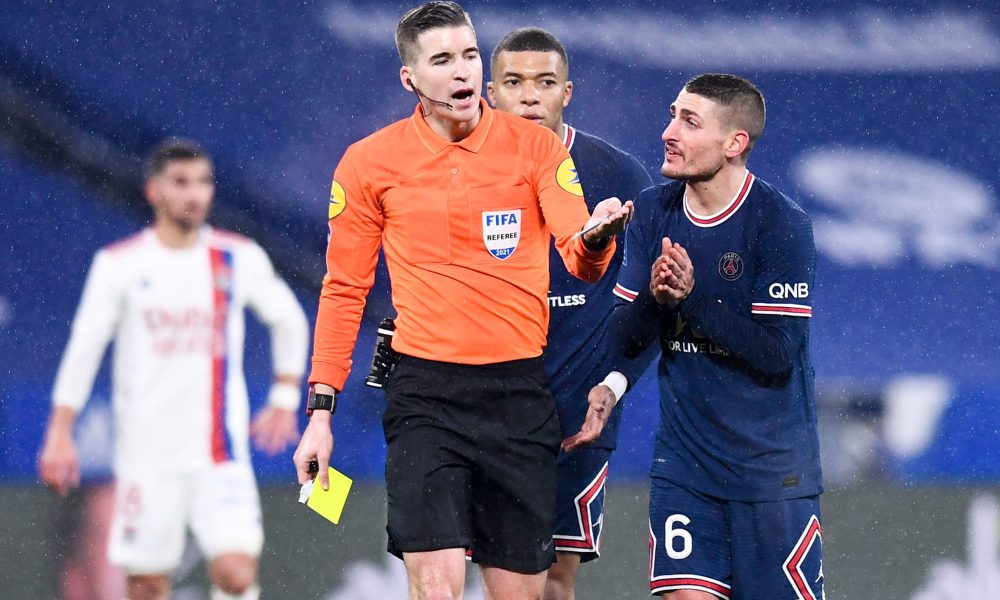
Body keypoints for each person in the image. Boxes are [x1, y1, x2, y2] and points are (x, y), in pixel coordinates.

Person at [291, 3, 634, 599]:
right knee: (437, 585)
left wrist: (598, 238)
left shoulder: (536, 150)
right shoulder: (369, 163)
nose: (461, 73)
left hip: (518, 398)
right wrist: (320, 412)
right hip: (426, 398)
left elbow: (577, 254)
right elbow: (345, 288)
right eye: (442, 60)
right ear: (410, 79)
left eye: (470, 56)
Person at [38, 138, 310, 600]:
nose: (195, 194)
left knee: (236, 572)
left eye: (203, 182)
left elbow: (289, 318)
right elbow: (85, 348)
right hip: (147, 459)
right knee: (146, 585)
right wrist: (60, 432)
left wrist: (284, 399)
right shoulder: (120, 265)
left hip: (218, 454)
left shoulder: (235, 257)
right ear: (153, 192)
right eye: (181, 183)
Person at [607, 74, 824, 599]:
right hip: (685, 468)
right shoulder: (653, 212)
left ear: (735, 143)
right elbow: (622, 340)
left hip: (772, 478)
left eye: (689, 121)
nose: (668, 131)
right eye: (672, 114)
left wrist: (690, 299)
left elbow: (775, 354)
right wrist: (656, 302)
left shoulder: (779, 224)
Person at [486, 27, 653, 600]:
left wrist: (612, 383)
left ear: (567, 93)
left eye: (545, 82)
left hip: (575, 416)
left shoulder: (617, 173)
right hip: (484, 407)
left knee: (554, 584)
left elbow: (653, 303)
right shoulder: (460, 171)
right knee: (502, 581)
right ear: (490, 93)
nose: (530, 96)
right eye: (514, 82)